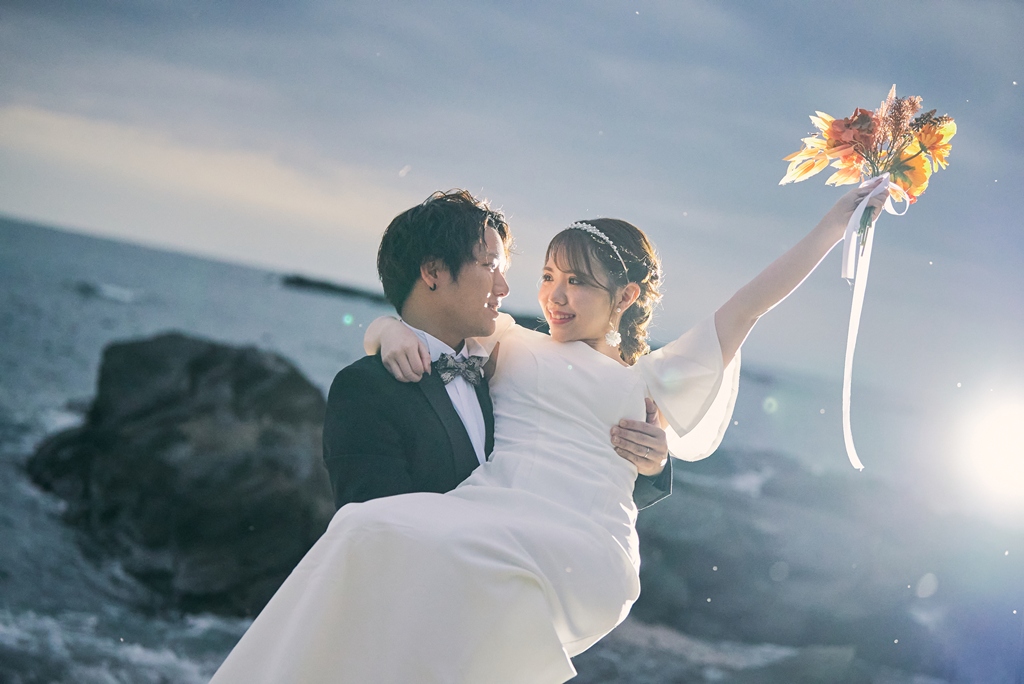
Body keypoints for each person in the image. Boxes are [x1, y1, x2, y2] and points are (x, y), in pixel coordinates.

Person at [210, 180, 887, 683]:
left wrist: (835, 223)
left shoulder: (653, 381)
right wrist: (382, 331)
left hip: (582, 541)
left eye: (579, 284)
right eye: (548, 277)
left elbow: (749, 308)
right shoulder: (513, 343)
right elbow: (423, 320)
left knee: (439, 562)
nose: (555, 296)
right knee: (365, 530)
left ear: (625, 298)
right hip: (490, 514)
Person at [321, 189, 673, 510]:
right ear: (433, 272)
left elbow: (569, 468)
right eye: (490, 265)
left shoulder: (503, 365)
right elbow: (376, 529)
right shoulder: (366, 389)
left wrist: (650, 464)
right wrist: (385, 328)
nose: (504, 287)